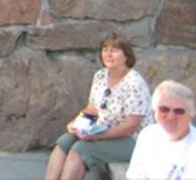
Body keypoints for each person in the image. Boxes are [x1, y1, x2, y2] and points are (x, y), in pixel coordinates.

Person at [45, 34, 152, 180]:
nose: (108, 54)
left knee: (81, 150)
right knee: (64, 143)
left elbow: (132, 125)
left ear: (126, 55)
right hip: (102, 129)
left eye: (114, 50)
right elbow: (92, 108)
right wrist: (76, 124)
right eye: (105, 49)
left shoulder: (134, 83)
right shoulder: (101, 75)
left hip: (132, 139)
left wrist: (97, 136)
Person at [127, 80, 196, 180]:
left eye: (179, 111)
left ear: (191, 114)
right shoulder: (147, 136)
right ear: (154, 110)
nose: (170, 117)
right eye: (164, 109)